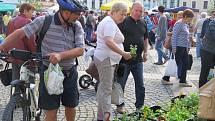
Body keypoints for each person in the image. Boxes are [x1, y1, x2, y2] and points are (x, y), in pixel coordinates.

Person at [0, 0, 87, 121]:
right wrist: (2, 46)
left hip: (69, 72)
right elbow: (21, 33)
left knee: (71, 106)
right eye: (77, 14)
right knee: (51, 110)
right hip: (48, 72)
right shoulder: (44, 21)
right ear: (66, 12)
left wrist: (60, 55)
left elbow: (80, 50)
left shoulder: (76, 25)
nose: (79, 16)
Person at [94, 2, 132, 121]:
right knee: (106, 90)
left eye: (125, 15)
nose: (123, 17)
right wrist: (123, 53)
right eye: (122, 14)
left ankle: (101, 117)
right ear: (114, 11)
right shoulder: (109, 22)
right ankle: (106, 117)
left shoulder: (109, 21)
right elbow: (109, 42)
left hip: (107, 59)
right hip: (106, 59)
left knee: (103, 89)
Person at [116, 1, 148, 113]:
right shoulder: (123, 21)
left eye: (141, 11)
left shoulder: (143, 22)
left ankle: (140, 106)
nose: (138, 13)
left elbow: (145, 39)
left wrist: (146, 52)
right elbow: (115, 38)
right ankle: (120, 105)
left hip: (138, 60)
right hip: (124, 60)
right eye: (136, 10)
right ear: (132, 10)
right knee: (121, 84)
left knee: (140, 84)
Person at [5, 3, 36, 81]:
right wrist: (34, 54)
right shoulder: (28, 21)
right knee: (29, 80)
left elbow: (7, 37)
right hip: (25, 56)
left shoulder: (11, 21)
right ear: (25, 11)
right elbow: (31, 42)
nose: (32, 14)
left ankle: (15, 92)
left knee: (15, 78)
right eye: (31, 12)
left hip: (14, 54)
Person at [172, 9, 195, 87]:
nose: (191, 20)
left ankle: (182, 81)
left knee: (185, 64)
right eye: (190, 18)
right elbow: (174, 36)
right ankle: (165, 77)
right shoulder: (179, 24)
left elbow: (187, 37)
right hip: (179, 47)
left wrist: (188, 47)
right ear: (185, 16)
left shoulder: (185, 24)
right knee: (176, 64)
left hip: (184, 47)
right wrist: (174, 47)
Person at [199, 19, 215, 88]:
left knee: (210, 72)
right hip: (207, 51)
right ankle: (202, 91)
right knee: (205, 72)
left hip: (212, 51)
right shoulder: (213, 23)